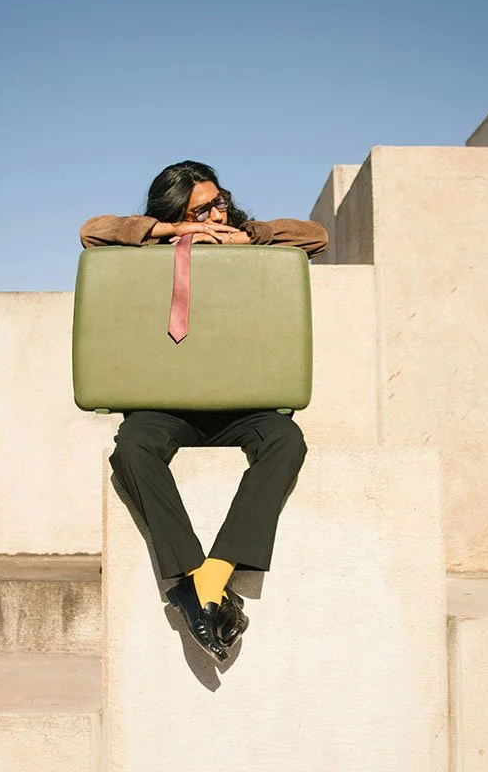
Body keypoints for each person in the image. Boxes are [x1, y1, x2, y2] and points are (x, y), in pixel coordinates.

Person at [79, 160, 328, 662]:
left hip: (243, 407)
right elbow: (92, 233)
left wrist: (246, 237)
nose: (217, 213)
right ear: (174, 212)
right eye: (201, 208)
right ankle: (196, 577)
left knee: (286, 440)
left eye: (219, 201)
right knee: (132, 449)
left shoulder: (251, 244)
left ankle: (207, 580)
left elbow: (317, 237)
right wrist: (174, 233)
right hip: (166, 408)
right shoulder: (150, 246)